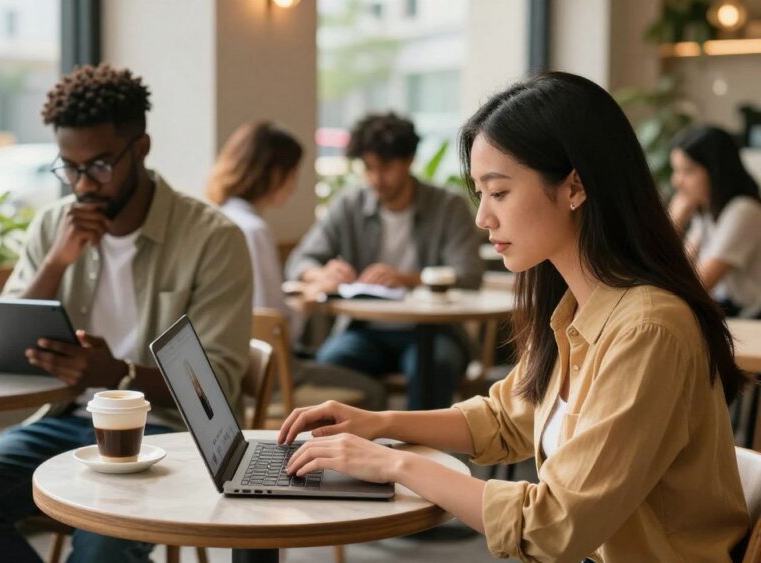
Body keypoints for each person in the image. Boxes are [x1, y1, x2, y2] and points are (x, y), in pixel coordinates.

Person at [278, 72, 749, 562]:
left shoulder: (648, 329)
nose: (482, 217)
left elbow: (553, 526)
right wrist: (379, 422)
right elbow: (506, 419)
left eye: (498, 192)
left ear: (575, 186)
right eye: (480, 193)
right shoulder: (575, 307)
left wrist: (394, 464)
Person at [0, 64, 252, 563]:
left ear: (140, 149)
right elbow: (4, 341)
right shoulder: (55, 225)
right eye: (68, 168)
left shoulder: (212, 239)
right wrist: (57, 261)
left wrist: (119, 374)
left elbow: (217, 388)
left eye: (97, 166)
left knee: (101, 546)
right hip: (62, 421)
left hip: (166, 435)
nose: (82, 185)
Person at [285, 112, 484, 409]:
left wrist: (406, 278)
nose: (376, 179)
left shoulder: (447, 206)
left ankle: (424, 452)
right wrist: (321, 273)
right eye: (368, 168)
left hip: (432, 331)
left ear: (409, 160)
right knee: (332, 363)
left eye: (386, 167)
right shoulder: (350, 205)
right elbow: (299, 261)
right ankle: (350, 451)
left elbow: (468, 274)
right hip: (365, 330)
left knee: (433, 366)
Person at [207, 121, 387, 410]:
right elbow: (274, 327)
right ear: (277, 174)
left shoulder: (219, 218)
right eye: (293, 174)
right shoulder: (253, 231)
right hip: (268, 375)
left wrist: (304, 289)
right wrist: (308, 301)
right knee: (373, 392)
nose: (294, 185)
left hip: (228, 368)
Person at [668, 125, 761, 318]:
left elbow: (699, 285)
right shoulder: (706, 210)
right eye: (675, 171)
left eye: (687, 171)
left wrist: (674, 222)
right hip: (730, 311)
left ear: (716, 170)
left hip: (751, 317)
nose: (676, 182)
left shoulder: (744, 211)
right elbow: (677, 269)